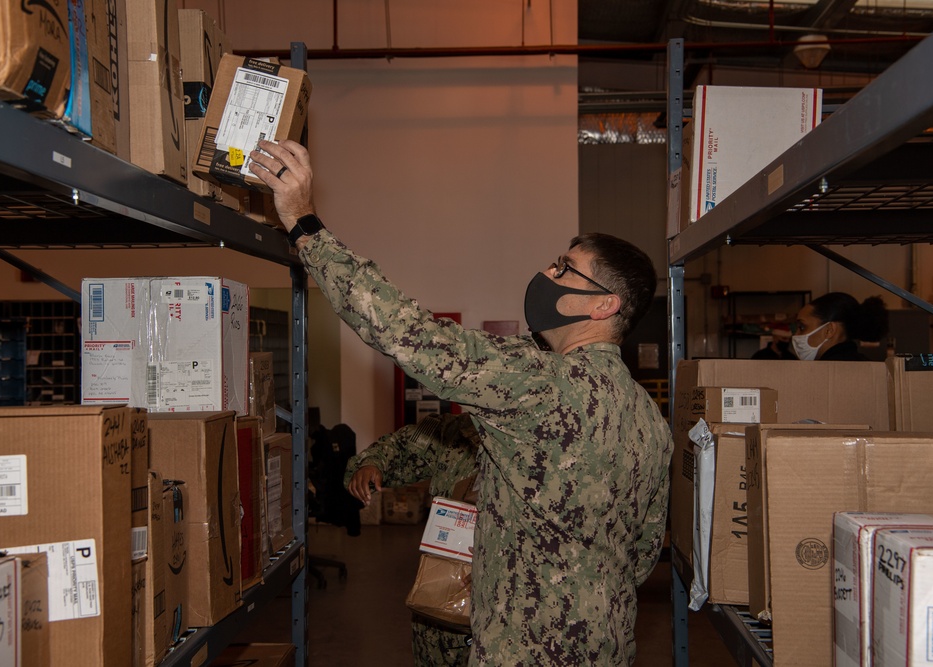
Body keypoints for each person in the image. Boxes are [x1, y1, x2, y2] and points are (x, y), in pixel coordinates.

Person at [251, 138, 673, 666]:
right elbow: (642, 552)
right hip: (606, 647)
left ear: (605, 304)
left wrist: (305, 224)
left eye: (565, 268)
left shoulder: (538, 382)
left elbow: (407, 332)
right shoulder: (650, 419)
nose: (548, 274)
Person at [345, 412, 481, 667]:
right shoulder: (454, 433)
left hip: (514, 612)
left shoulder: (547, 435)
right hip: (445, 610)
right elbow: (400, 446)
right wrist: (371, 464)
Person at [791, 292, 889, 361]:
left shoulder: (822, 374)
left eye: (802, 327)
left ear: (829, 330)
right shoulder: (864, 365)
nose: (796, 335)